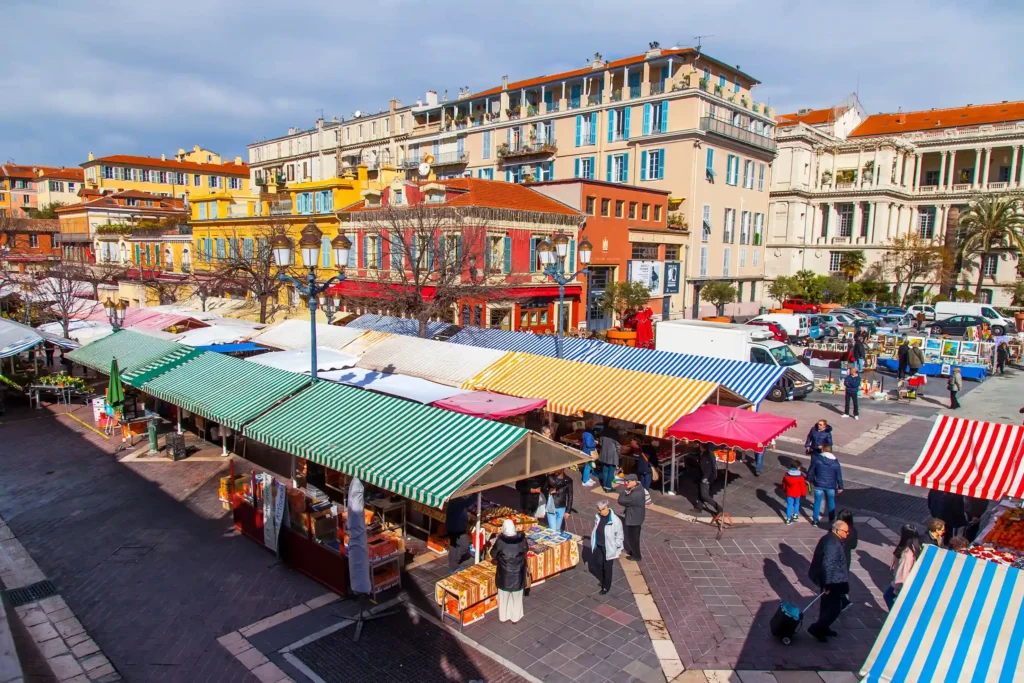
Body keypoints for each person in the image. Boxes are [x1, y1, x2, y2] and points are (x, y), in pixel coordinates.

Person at [807, 520, 851, 642]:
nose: (847, 534)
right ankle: (817, 628)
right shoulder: (833, 544)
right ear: (837, 530)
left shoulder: (830, 539)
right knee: (835, 608)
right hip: (832, 582)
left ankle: (823, 627)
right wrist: (828, 585)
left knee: (826, 605)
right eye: (846, 532)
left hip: (832, 579)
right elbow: (828, 565)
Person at [490, 519, 528, 623]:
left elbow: (493, 554)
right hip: (518, 574)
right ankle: (515, 617)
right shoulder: (522, 540)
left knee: (503, 598)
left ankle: (503, 617)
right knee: (517, 598)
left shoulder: (501, 542)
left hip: (504, 575)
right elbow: (526, 550)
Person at [883, 524, 922, 610]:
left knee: (888, 597)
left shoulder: (906, 554)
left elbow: (903, 573)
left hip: (901, 584)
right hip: (908, 583)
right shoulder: (916, 547)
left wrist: (897, 587)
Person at [590, 500, 624, 595]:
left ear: (608, 508)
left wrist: (615, 546)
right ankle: (603, 579)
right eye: (599, 510)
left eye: (603, 509)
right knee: (598, 563)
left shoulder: (615, 520)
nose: (601, 512)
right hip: (599, 545)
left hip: (609, 547)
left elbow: (620, 536)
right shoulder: (598, 517)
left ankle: (606, 586)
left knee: (607, 568)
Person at [806, 445, 843, 526]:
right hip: (831, 485)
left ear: (823, 450)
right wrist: (840, 487)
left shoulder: (817, 459)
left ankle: (815, 521)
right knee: (831, 502)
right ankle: (832, 519)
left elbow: (811, 470)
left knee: (817, 502)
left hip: (818, 484)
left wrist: (808, 479)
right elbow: (838, 476)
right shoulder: (835, 462)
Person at [618, 474, 646, 561]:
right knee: (633, 537)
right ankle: (633, 551)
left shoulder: (635, 495)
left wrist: (623, 492)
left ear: (634, 482)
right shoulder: (639, 488)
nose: (627, 484)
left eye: (629, 482)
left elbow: (621, 501)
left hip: (634, 519)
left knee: (633, 538)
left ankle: (636, 556)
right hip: (636, 516)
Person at [445, 496, 472, 574]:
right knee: (465, 545)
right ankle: (455, 561)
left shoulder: (454, 502)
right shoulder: (458, 502)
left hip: (452, 527)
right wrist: (475, 494)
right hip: (456, 529)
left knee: (454, 546)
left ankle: (453, 566)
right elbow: (468, 502)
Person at [696, 445, 722, 515]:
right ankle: (699, 507)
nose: (699, 447)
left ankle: (719, 508)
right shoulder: (708, 453)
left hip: (707, 478)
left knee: (705, 495)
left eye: (700, 446)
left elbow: (708, 470)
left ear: (703, 447)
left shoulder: (706, 456)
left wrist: (704, 480)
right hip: (706, 476)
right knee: (700, 491)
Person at [598, 426, 621, 492]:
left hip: (604, 454)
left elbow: (601, 442)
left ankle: (605, 486)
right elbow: (618, 446)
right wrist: (619, 454)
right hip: (613, 455)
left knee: (605, 471)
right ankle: (608, 487)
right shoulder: (615, 434)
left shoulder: (603, 432)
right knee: (611, 472)